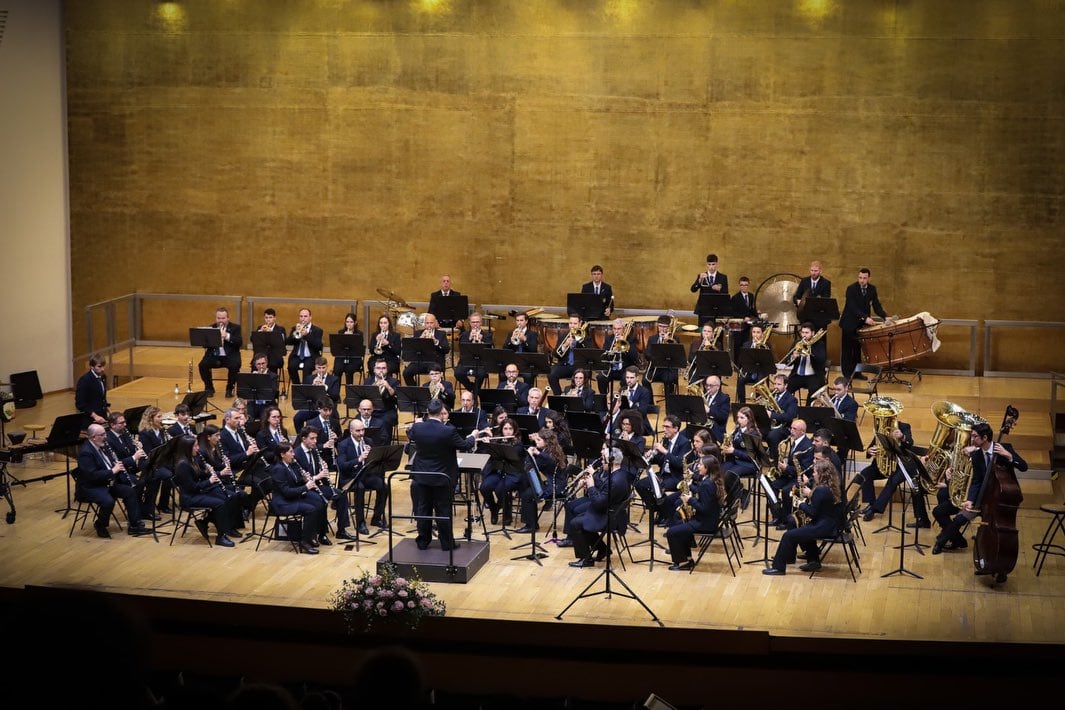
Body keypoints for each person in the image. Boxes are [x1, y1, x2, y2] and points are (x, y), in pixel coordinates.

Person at [932, 421, 1027, 556]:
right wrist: (970, 500)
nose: (971, 439)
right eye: (972, 436)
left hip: (1000, 500)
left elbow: (1024, 467)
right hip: (981, 498)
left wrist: (1009, 456)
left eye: (975, 436)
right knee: (959, 519)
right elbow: (976, 481)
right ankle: (941, 543)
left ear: (985, 438)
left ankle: (999, 564)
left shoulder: (1004, 448)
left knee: (998, 530)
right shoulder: (976, 455)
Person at [406, 399, 476, 551]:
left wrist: (416, 423)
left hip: (421, 475)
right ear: (441, 414)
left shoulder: (418, 428)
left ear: (428, 412)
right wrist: (473, 436)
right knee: (443, 511)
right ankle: (446, 543)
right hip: (442, 477)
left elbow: (410, 433)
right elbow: (464, 445)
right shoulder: (448, 431)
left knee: (423, 509)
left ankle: (423, 541)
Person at [763, 459, 841, 575]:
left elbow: (813, 513)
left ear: (821, 474)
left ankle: (778, 568)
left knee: (788, 535)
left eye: (815, 472)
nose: (813, 474)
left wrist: (801, 504)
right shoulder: (829, 486)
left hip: (823, 527)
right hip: (829, 524)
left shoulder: (821, 490)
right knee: (795, 523)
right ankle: (813, 560)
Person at [566, 446, 634, 568]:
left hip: (610, 517)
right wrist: (593, 479)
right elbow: (604, 488)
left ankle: (586, 559)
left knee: (575, 523)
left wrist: (591, 487)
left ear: (612, 461)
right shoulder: (619, 473)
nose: (602, 462)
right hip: (609, 511)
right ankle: (603, 549)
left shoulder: (616, 480)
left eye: (604, 460)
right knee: (580, 517)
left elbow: (598, 502)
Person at [76, 424, 147, 537]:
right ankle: (100, 524)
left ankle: (134, 526)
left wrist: (116, 465)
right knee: (108, 501)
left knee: (129, 491)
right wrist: (113, 471)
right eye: (103, 434)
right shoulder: (86, 452)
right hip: (91, 486)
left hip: (106, 482)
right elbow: (92, 475)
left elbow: (109, 463)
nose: (106, 436)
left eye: (105, 433)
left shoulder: (102, 445)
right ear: (94, 437)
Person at [172, 434, 239, 547]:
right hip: (189, 497)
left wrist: (216, 474)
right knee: (220, 503)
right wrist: (210, 481)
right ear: (187, 448)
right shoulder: (183, 465)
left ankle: (205, 521)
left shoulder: (191, 458)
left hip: (197, 492)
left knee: (225, 497)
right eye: (195, 446)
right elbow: (191, 487)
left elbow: (201, 474)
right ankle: (220, 537)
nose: (198, 448)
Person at [859, 420, 928, 526]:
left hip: (901, 467)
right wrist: (869, 451)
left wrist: (902, 436)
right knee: (865, 474)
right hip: (883, 466)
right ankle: (871, 503)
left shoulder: (904, 426)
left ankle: (874, 509)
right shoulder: (880, 427)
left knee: (892, 482)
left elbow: (910, 443)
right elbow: (871, 447)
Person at [293, 426, 355, 542]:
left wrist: (324, 472)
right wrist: (317, 476)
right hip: (303, 489)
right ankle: (321, 533)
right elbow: (297, 478)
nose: (315, 441)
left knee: (341, 495)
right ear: (303, 439)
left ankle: (341, 530)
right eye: (312, 439)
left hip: (316, 486)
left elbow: (317, 470)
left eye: (316, 438)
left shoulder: (314, 450)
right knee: (321, 501)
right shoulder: (296, 454)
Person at [665, 455, 726, 571]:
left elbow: (704, 508)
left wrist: (689, 500)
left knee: (672, 532)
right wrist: (692, 492)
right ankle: (687, 558)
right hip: (707, 519)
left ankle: (683, 562)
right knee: (679, 524)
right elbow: (705, 500)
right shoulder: (710, 480)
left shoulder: (707, 484)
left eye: (700, 464)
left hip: (705, 523)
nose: (698, 466)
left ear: (707, 468)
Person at [268, 441, 325, 554]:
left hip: (291, 498)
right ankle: (304, 541)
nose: (294, 454)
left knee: (318, 503)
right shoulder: (278, 469)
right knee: (310, 509)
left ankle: (311, 536)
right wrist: (306, 487)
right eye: (291, 452)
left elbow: (295, 482)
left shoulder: (290, 465)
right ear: (282, 454)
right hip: (282, 503)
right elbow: (286, 492)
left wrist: (304, 479)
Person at [336, 418, 389, 533]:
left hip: (365, 475)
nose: (361, 433)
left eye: (362, 430)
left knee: (383, 486)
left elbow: (374, 462)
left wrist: (372, 456)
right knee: (360, 488)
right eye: (358, 431)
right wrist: (359, 459)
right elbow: (342, 466)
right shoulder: (343, 445)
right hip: (350, 477)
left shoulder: (368, 441)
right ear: (351, 431)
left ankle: (376, 518)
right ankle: (360, 523)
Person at [839, 267, 890, 380]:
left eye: (864, 278)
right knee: (847, 350)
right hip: (849, 323)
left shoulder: (872, 289)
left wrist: (885, 316)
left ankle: (857, 372)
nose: (862, 280)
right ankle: (847, 374)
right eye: (860, 277)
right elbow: (852, 307)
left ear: (869, 278)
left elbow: (876, 305)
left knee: (857, 349)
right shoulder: (851, 289)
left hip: (860, 324)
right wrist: (865, 317)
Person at [635, 414, 691, 515]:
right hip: (663, 474)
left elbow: (679, 464)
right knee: (640, 484)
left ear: (676, 429)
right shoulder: (665, 440)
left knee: (658, 488)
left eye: (667, 427)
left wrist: (664, 451)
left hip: (675, 477)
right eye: (664, 427)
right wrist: (651, 456)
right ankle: (658, 510)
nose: (664, 430)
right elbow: (660, 459)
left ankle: (663, 513)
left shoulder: (684, 443)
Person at [105, 411, 152, 520]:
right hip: (118, 474)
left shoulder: (125, 433)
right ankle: (137, 511)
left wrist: (137, 446)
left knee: (151, 477)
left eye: (124, 422)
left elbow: (129, 450)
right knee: (138, 484)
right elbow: (115, 462)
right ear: (112, 425)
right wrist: (134, 457)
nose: (125, 425)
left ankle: (143, 508)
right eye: (121, 423)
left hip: (130, 469)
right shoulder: (108, 439)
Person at [517, 428, 565, 531]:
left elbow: (543, 463)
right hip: (549, 482)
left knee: (528, 494)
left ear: (547, 442)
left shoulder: (550, 453)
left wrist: (531, 455)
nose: (535, 442)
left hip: (555, 486)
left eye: (539, 440)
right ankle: (531, 523)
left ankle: (531, 525)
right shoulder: (548, 450)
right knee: (525, 487)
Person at [477, 417, 522, 526]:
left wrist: (493, 445)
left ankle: (507, 514)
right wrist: (487, 445)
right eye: (505, 428)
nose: (507, 431)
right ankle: (494, 509)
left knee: (500, 490)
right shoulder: (496, 440)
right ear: (501, 430)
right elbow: (485, 455)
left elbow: (512, 455)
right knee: (484, 487)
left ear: (514, 430)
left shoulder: (518, 443)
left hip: (512, 473)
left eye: (510, 429)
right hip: (498, 471)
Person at [770, 419, 814, 530]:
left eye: (795, 429)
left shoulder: (807, 446)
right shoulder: (793, 440)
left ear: (803, 431)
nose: (791, 431)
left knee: (786, 491)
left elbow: (804, 469)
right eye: (791, 428)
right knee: (773, 485)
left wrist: (787, 467)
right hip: (789, 474)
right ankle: (777, 515)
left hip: (800, 478)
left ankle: (786, 520)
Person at [198, 306, 243, 397]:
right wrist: (212, 339)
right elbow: (205, 345)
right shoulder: (211, 327)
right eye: (218, 318)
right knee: (202, 365)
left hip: (230, 355)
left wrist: (226, 336)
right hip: (214, 355)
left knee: (235, 365)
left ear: (228, 318)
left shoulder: (236, 328)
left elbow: (239, 342)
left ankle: (229, 388)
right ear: (216, 318)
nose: (221, 320)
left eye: (223, 318)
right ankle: (209, 388)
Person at [138, 406, 174, 515]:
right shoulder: (145, 433)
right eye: (159, 417)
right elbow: (149, 453)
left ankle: (163, 504)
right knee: (160, 476)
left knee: (175, 472)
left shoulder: (161, 430)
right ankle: (148, 508)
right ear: (150, 418)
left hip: (160, 462)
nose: (161, 419)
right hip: (150, 464)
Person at [402, 312, 450, 386]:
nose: (429, 325)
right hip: (420, 361)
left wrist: (436, 342)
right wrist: (420, 339)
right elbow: (412, 348)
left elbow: (446, 349)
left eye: (431, 323)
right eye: (427, 323)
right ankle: (416, 391)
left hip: (435, 361)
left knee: (435, 373)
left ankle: (436, 392)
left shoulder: (441, 334)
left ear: (435, 323)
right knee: (406, 373)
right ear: (424, 324)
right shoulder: (418, 333)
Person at [785, 321, 827, 405]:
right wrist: (793, 356)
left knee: (813, 392)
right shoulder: (797, 343)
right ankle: (788, 409)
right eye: (802, 332)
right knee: (785, 389)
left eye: (807, 333)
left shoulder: (819, 344)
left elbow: (822, 361)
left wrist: (810, 351)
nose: (804, 335)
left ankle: (806, 411)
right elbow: (787, 363)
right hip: (797, 375)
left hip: (813, 376)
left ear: (813, 333)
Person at [454, 311, 494, 400]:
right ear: (470, 323)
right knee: (458, 373)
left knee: (481, 374)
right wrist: (469, 339)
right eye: (473, 322)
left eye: (477, 322)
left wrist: (481, 341)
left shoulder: (487, 335)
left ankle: (474, 396)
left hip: (481, 363)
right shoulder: (464, 335)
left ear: (481, 323)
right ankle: (474, 390)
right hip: (466, 362)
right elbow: (461, 349)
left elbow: (490, 350)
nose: (475, 324)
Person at [793, 260, 833, 343]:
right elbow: (796, 296)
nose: (813, 273)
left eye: (816, 271)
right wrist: (798, 301)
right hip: (806, 318)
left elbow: (825, 300)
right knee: (805, 342)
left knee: (820, 342)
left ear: (820, 271)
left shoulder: (826, 283)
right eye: (812, 270)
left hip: (820, 319)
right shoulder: (804, 281)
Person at [548, 314, 587, 396]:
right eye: (570, 323)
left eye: (575, 323)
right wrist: (564, 345)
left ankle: (580, 396)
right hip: (565, 365)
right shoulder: (563, 336)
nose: (572, 326)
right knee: (551, 374)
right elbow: (555, 354)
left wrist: (578, 341)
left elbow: (589, 352)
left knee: (583, 374)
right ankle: (558, 396)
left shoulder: (585, 337)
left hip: (579, 366)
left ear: (580, 324)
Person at [721, 406, 763, 481]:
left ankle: (737, 491)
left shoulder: (753, 434)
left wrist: (734, 451)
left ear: (749, 419)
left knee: (729, 475)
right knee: (720, 472)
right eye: (738, 417)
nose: (738, 420)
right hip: (735, 460)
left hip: (748, 464)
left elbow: (752, 456)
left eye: (742, 418)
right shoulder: (738, 429)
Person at [287, 307, 324, 389]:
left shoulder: (317, 330)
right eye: (301, 316)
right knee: (291, 367)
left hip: (311, 356)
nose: (303, 318)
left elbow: (318, 346)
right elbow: (288, 342)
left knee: (307, 368)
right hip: (297, 356)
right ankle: (297, 387)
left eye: (305, 316)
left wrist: (307, 335)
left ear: (310, 317)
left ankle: (305, 388)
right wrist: (295, 334)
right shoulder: (295, 328)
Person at [642, 315, 679, 396]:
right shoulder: (652, 338)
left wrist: (668, 342)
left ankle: (669, 406)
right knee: (645, 380)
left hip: (668, 369)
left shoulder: (674, 339)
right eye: (660, 326)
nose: (662, 329)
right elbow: (647, 354)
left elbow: (676, 356)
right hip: (655, 367)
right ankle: (650, 405)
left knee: (669, 380)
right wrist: (656, 356)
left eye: (665, 327)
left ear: (669, 327)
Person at [764, 373, 799, 457]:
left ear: (786, 385)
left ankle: (774, 460)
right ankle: (762, 455)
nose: (776, 386)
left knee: (772, 436)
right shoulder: (771, 396)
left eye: (779, 384)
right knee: (753, 431)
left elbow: (790, 416)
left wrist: (772, 415)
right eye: (775, 384)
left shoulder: (792, 399)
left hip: (784, 428)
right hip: (770, 425)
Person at [501, 311, 540, 385]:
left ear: (526, 321)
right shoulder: (511, 333)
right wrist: (511, 340)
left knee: (528, 376)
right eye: (517, 320)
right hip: (513, 362)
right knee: (502, 374)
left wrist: (525, 340)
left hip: (527, 364)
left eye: (521, 320)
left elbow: (533, 350)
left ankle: (527, 394)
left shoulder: (532, 334)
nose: (519, 323)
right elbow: (505, 348)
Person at [691, 253, 729, 325]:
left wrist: (719, 289)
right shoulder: (701, 276)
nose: (711, 267)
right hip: (704, 311)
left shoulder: (723, 277)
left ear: (717, 264)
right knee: (703, 332)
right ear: (706, 265)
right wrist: (699, 280)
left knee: (718, 333)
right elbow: (693, 289)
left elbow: (726, 294)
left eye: (713, 264)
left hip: (718, 311)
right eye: (709, 264)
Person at [367, 359, 400, 440]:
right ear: (374, 370)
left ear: (387, 370)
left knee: (385, 422)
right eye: (378, 368)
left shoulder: (394, 382)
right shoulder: (368, 381)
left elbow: (397, 400)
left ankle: (385, 446)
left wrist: (388, 387)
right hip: (372, 410)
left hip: (387, 411)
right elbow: (365, 397)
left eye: (383, 368)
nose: (381, 370)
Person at [75, 354, 111, 428]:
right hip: (90, 419)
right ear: (92, 366)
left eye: (104, 366)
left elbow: (101, 397)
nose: (103, 369)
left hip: (102, 416)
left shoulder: (103, 376)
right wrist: (95, 416)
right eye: (99, 366)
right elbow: (80, 403)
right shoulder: (85, 380)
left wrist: (108, 411)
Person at [729, 276, 760, 359]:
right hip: (738, 326)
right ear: (739, 286)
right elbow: (732, 312)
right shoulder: (735, 297)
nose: (743, 287)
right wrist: (743, 317)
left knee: (746, 344)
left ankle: (745, 363)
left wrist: (758, 315)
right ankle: (737, 365)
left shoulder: (751, 296)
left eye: (745, 285)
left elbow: (751, 309)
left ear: (748, 286)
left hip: (747, 326)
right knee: (738, 345)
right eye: (742, 285)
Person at [245, 352, 279, 422]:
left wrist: (261, 379)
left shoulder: (273, 376)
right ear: (255, 365)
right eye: (258, 364)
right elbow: (247, 393)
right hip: (254, 404)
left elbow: (273, 394)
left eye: (263, 363)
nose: (261, 366)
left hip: (267, 405)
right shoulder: (252, 376)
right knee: (247, 418)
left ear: (267, 363)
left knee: (264, 420)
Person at [333, 312, 364, 386]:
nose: (349, 324)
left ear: (355, 323)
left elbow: (358, 349)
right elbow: (338, 348)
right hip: (342, 357)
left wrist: (351, 338)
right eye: (347, 322)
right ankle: (336, 394)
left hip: (354, 358)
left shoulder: (359, 333)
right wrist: (344, 338)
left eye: (351, 322)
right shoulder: (341, 332)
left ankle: (349, 395)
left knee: (349, 370)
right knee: (337, 370)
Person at [701, 374, 731, 444]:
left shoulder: (724, 398)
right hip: (702, 427)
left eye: (710, 385)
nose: (708, 388)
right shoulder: (703, 397)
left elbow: (723, 417)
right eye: (706, 385)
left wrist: (709, 411)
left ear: (717, 386)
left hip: (715, 430)